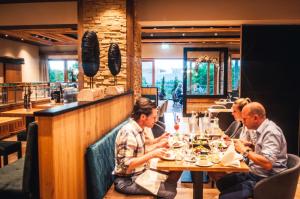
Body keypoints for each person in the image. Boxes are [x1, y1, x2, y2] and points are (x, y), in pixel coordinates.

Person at [216, 102, 288, 199]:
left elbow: (268, 163)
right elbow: (263, 150)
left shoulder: (271, 132)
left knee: (223, 197)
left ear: (255, 118)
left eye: (245, 119)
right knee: (222, 183)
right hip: (255, 173)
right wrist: (251, 146)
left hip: (267, 179)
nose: (243, 122)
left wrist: (244, 151)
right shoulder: (261, 129)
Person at [113, 97, 181, 199]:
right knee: (169, 192)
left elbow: (140, 152)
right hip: (126, 181)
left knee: (175, 171)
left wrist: (158, 147)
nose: (156, 120)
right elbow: (125, 165)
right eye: (153, 117)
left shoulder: (138, 129)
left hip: (139, 172)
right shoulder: (128, 132)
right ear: (143, 117)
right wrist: (153, 154)